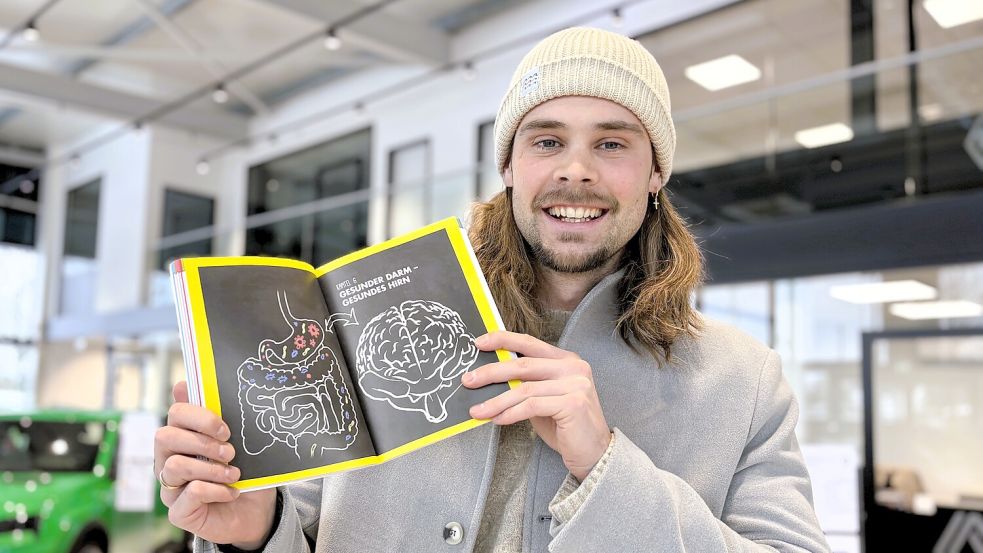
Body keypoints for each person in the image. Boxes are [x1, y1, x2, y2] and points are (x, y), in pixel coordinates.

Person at [154, 27, 831, 552]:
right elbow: (299, 525)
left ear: (655, 173)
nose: (574, 170)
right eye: (545, 141)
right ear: (508, 165)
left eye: (612, 144)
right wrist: (251, 526)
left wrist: (604, 464)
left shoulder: (742, 383)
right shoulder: (370, 326)